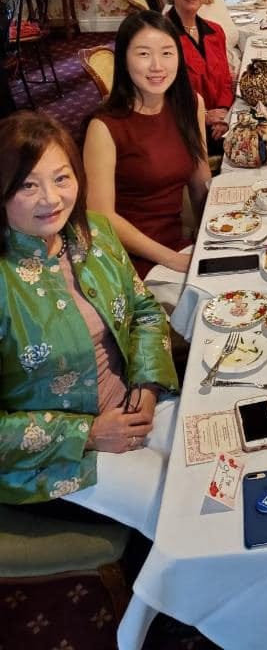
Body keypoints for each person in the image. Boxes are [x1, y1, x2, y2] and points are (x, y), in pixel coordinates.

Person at [0, 111, 178, 538]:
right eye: (28, 185)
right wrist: (90, 433)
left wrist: (147, 388)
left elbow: (145, 312)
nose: (51, 199)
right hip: (58, 456)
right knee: (177, 508)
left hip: (135, 406)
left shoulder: (91, 232)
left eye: (62, 178)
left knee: (220, 456)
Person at [83, 11, 210, 280]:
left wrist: (211, 237)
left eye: (167, 53)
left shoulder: (190, 104)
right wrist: (173, 259)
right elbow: (100, 216)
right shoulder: (104, 126)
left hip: (178, 245)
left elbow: (200, 183)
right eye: (143, 54)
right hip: (128, 261)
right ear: (123, 59)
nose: (157, 66)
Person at [162, 0, 233, 152]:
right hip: (183, 128)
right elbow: (162, 96)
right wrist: (204, 115)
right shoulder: (161, 36)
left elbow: (226, 80)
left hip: (220, 123)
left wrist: (223, 112)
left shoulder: (215, 31)